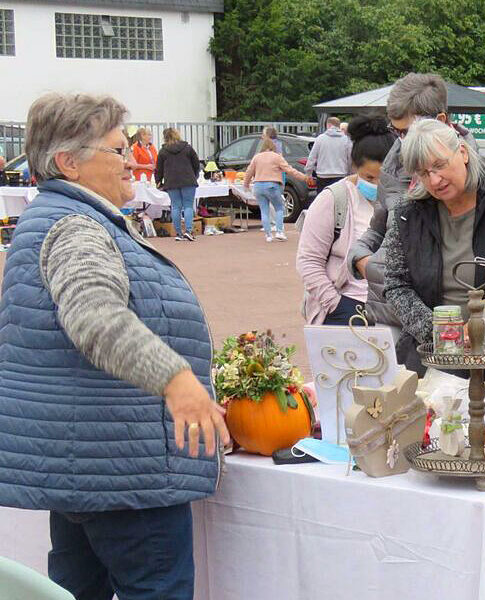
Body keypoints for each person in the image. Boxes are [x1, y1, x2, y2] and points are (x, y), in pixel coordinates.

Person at [0, 92, 228, 599]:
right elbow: (94, 317)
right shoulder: (77, 227)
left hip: (92, 465)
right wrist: (177, 379)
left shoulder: (62, 217)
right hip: (125, 475)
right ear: (68, 163)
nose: (130, 161)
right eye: (116, 150)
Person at [381, 118, 485, 372]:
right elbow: (396, 284)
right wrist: (441, 334)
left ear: (463, 152)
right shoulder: (407, 213)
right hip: (431, 360)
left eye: (439, 165)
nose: (434, 180)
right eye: (423, 173)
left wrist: (480, 324)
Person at [347, 73, 479, 335]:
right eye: (396, 131)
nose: (402, 140)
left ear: (440, 121)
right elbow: (379, 227)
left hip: (450, 321)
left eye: (407, 131)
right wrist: (361, 257)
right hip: (391, 312)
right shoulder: (393, 166)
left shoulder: (475, 171)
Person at [297, 116, 394, 325]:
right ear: (354, 167)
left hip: (393, 310)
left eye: (384, 178)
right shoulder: (334, 199)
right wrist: (336, 304)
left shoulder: (404, 199)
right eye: (369, 178)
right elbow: (308, 260)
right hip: (348, 307)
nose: (378, 185)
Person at [244, 138, 308, 242]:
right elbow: (289, 170)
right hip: (272, 186)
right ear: (273, 147)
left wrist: (246, 184)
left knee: (264, 210)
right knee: (279, 208)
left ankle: (268, 235)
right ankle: (279, 232)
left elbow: (249, 172)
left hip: (258, 186)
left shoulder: (256, 157)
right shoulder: (277, 157)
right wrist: (303, 177)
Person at [155, 127, 202, 242]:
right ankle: (189, 231)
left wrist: (158, 181)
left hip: (171, 182)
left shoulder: (163, 151)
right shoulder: (187, 148)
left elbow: (159, 169)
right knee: (188, 206)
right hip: (188, 180)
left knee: (175, 206)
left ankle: (178, 233)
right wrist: (195, 176)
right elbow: (196, 163)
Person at [306, 116, 353, 195]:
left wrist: (309, 173)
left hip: (322, 176)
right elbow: (350, 159)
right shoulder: (346, 140)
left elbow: (312, 158)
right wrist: (349, 173)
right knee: (339, 200)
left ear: (328, 125)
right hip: (340, 175)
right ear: (339, 126)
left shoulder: (320, 139)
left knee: (323, 201)